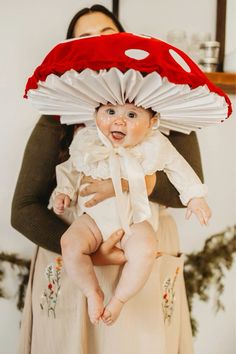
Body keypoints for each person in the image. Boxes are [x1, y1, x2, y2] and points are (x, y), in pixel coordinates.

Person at [11, 5, 204, 354]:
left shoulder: (165, 108)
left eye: (107, 34)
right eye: (84, 39)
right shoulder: (60, 118)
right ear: (72, 50)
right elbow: (23, 208)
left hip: (143, 257)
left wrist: (134, 184)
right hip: (77, 260)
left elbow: (187, 186)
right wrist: (91, 252)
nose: (98, 44)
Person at [52, 102, 211, 326]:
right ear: (95, 114)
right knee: (69, 242)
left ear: (151, 123)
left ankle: (119, 298)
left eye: (131, 115)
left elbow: (179, 167)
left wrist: (195, 196)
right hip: (92, 220)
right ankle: (91, 292)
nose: (119, 120)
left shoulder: (154, 145)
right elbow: (69, 168)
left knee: (146, 249)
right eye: (110, 112)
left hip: (134, 219)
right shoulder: (87, 139)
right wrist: (63, 192)